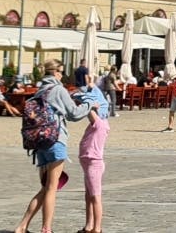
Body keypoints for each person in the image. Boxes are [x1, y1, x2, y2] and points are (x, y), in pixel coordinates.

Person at [13, 59, 92, 233]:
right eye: (61, 72)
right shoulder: (58, 89)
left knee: (45, 187)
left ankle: (22, 226)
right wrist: (89, 105)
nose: (62, 75)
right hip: (55, 139)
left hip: (39, 142)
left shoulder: (40, 90)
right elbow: (74, 114)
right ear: (55, 72)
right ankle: (46, 229)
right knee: (51, 188)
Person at [73, 66, 110, 233]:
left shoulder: (99, 124)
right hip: (88, 162)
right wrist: (90, 86)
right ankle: (89, 225)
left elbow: (89, 108)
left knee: (95, 197)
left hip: (94, 162)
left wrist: (88, 101)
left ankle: (97, 228)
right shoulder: (95, 125)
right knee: (88, 195)